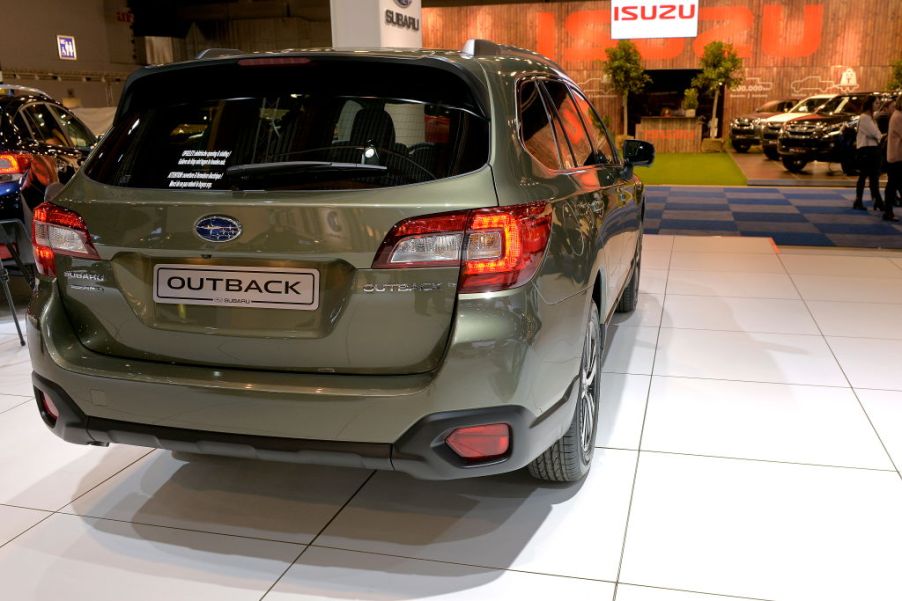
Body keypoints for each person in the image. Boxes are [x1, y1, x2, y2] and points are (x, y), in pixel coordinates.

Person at [853, 96, 883, 211]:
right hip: (867, 151)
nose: (878, 105)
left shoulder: (870, 118)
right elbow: (876, 134)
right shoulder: (865, 118)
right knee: (868, 177)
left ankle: (873, 200)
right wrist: (881, 136)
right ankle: (871, 201)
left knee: (869, 177)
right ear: (870, 104)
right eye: (876, 103)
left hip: (870, 150)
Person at [885, 95, 902, 222]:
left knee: (894, 185)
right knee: (892, 185)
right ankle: (888, 212)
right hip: (897, 156)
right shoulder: (899, 117)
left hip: (895, 156)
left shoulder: (896, 115)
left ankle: (888, 212)